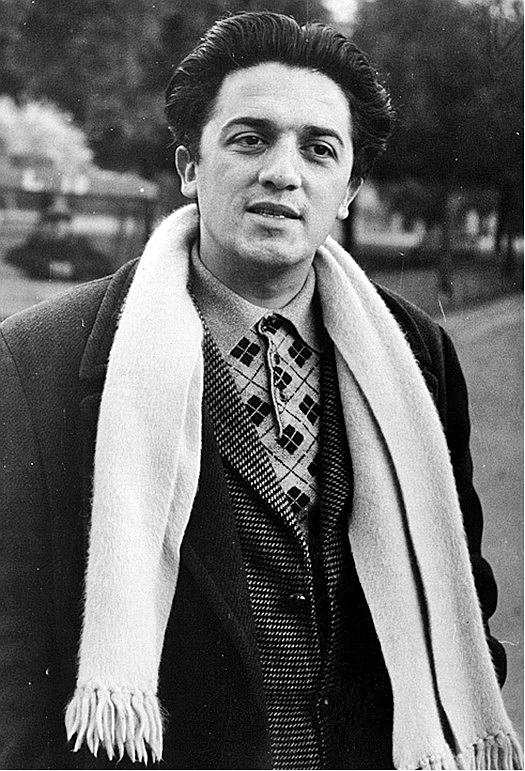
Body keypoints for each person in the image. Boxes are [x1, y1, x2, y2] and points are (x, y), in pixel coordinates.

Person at [0, 11, 521, 771]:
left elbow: (464, 599)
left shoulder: (417, 356)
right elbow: (12, 664)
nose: (283, 172)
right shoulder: (38, 358)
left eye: (319, 149)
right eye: (250, 139)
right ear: (190, 167)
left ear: (348, 189)